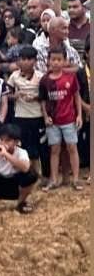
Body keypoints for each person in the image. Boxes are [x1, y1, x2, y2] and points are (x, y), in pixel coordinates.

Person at [40, 47, 84, 190]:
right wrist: (46, 117)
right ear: (48, 61)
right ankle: (53, 179)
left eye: (59, 59)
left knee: (72, 147)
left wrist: (79, 115)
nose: (56, 62)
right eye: (53, 59)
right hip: (53, 122)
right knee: (54, 149)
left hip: (69, 119)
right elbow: (43, 101)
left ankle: (76, 179)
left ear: (65, 61)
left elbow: (76, 97)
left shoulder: (71, 78)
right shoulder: (45, 80)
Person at [6, 46, 44, 174]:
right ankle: (24, 170)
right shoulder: (14, 76)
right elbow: (6, 94)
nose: (25, 62)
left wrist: (35, 97)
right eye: (22, 59)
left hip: (37, 115)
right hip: (20, 116)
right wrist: (15, 96)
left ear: (35, 61)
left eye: (29, 59)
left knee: (37, 144)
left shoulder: (40, 77)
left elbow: (45, 96)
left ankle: (37, 170)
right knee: (23, 144)